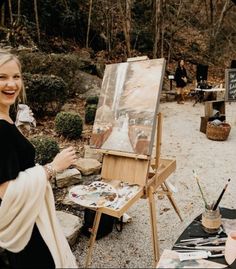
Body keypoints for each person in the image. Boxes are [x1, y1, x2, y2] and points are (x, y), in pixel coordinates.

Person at [0, 50, 78, 268]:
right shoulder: (0, 129)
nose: (11, 84)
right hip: (25, 226)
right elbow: (4, 190)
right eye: (2, 77)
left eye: (16, 76)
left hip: (27, 216)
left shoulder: (6, 116)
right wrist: (53, 167)